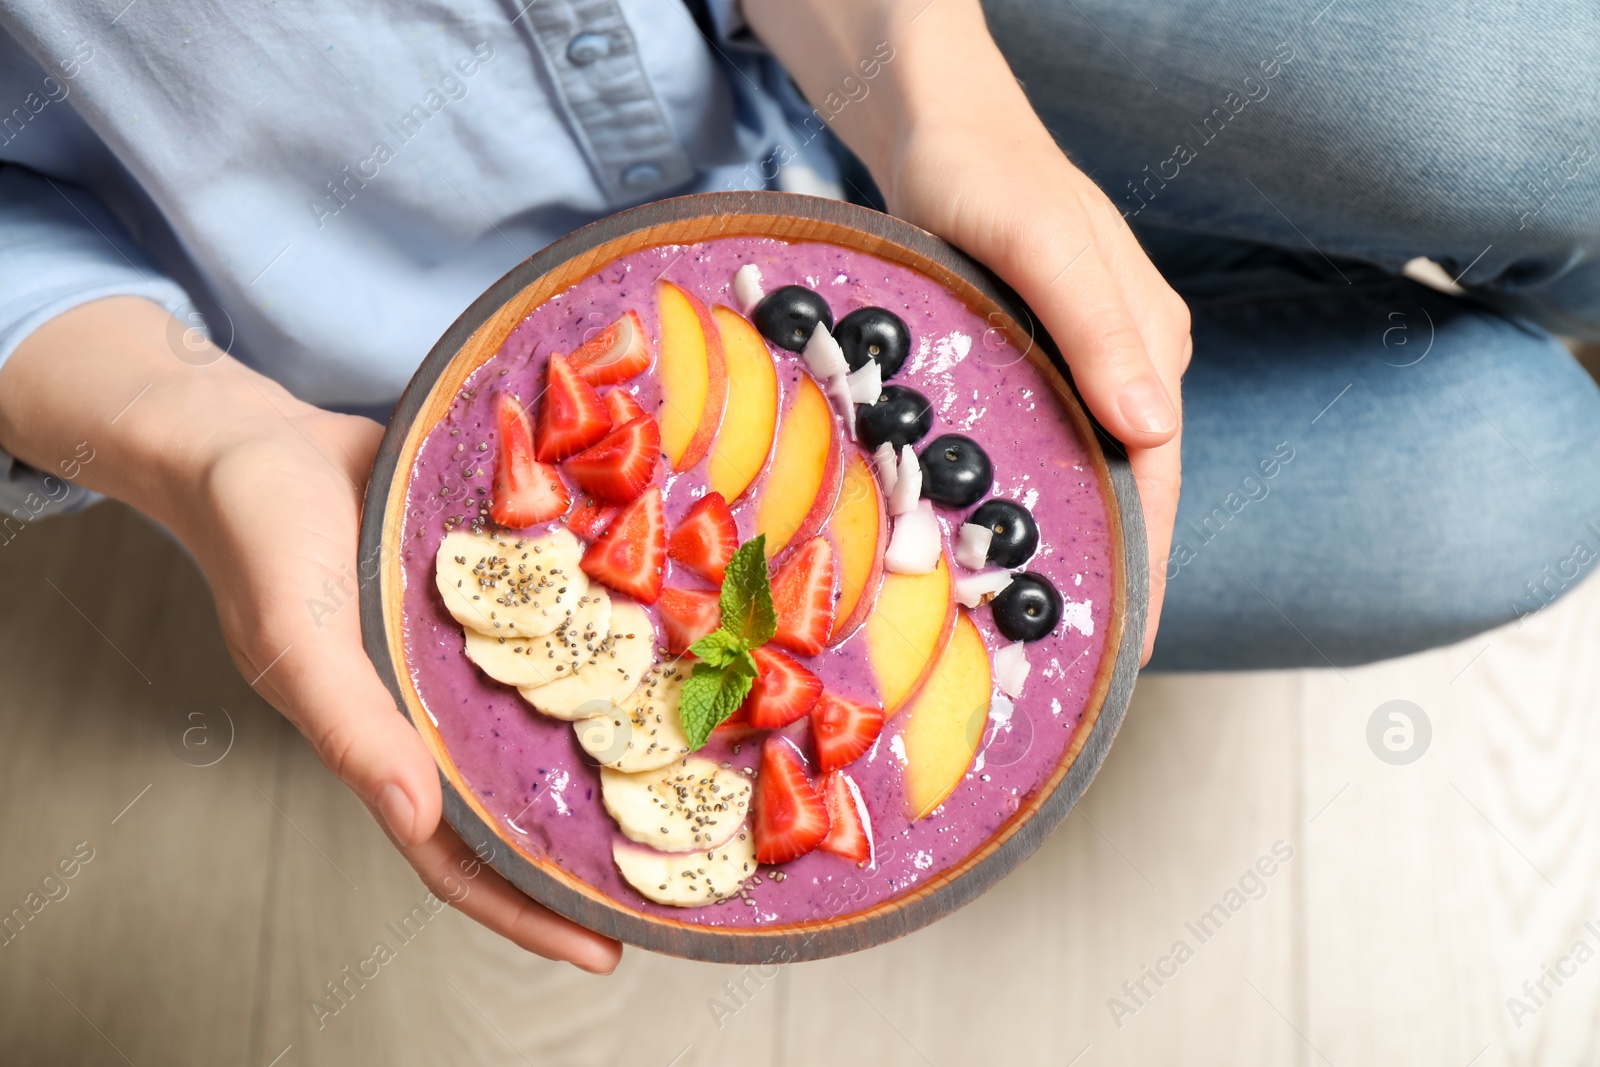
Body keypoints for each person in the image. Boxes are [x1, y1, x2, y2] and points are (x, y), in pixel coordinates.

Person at [0, 0, 1595, 973]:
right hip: (421, 390)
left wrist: (945, 103)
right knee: (1522, 478)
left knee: (1560, 132)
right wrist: (186, 429)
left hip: (858, 41)